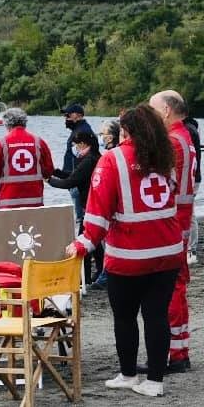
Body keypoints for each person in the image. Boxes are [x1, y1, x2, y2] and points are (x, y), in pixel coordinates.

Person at [65, 105, 182, 398]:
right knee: (157, 316)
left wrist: (81, 245)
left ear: (125, 131)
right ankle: (155, 381)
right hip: (168, 252)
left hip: (130, 257)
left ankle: (129, 374)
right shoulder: (167, 157)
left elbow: (97, 216)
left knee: (125, 317)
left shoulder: (111, 160)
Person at [147, 90, 196, 373]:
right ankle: (179, 348)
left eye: (153, 110)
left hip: (172, 226)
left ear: (166, 111)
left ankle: (175, 353)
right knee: (176, 287)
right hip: (182, 222)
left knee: (170, 289)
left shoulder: (172, 142)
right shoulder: (185, 138)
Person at [47, 131, 101, 284]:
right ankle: (98, 274)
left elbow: (69, 183)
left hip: (89, 207)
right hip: (95, 205)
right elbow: (75, 177)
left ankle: (85, 278)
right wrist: (57, 172)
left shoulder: (88, 161)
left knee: (85, 242)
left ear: (83, 144)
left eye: (76, 145)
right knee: (96, 244)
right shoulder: (96, 157)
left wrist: (49, 180)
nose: (75, 148)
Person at [0, 107, 54, 209]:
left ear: (6, 124)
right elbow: (48, 172)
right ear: (25, 122)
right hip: (35, 203)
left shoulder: (0, 144)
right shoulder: (39, 142)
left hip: (7, 204)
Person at [89, 119, 122, 289]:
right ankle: (106, 273)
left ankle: (106, 275)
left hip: (113, 208)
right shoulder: (118, 153)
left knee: (109, 241)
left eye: (103, 134)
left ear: (110, 137)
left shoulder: (112, 156)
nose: (101, 137)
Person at [61, 104, 96, 223]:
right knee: (82, 217)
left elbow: (86, 159)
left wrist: (75, 180)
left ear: (79, 115)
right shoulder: (78, 130)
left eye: (69, 114)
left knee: (82, 219)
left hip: (79, 182)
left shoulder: (83, 131)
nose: (66, 117)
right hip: (73, 179)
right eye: (65, 115)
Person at [183, 113, 202, 263]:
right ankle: (190, 248)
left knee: (189, 213)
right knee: (189, 213)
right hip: (193, 175)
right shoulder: (191, 128)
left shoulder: (187, 130)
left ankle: (191, 249)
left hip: (190, 177)